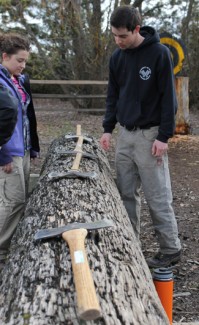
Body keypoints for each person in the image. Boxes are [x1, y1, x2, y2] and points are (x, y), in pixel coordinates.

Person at [100, 6, 181, 268]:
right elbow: (113, 95)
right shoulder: (117, 57)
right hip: (125, 134)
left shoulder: (159, 54)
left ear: (136, 29)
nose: (117, 41)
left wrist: (164, 136)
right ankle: (129, 243)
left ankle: (170, 248)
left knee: (157, 194)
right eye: (114, 35)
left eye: (122, 36)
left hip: (150, 136)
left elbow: (169, 98)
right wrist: (107, 128)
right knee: (125, 193)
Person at [0, 33, 40, 272]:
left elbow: (28, 115)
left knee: (19, 200)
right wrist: (2, 154)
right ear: (4, 56)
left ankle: (10, 245)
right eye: (19, 60)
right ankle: (2, 250)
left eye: (25, 61)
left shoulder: (19, 80)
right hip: (7, 152)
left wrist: (33, 145)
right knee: (11, 202)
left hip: (22, 149)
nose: (23, 66)